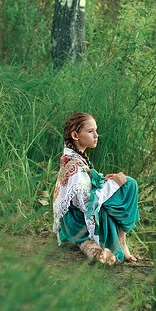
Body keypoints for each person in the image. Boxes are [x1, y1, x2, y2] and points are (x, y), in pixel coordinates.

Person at [52, 112, 140, 266]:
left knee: (124, 184)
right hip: (77, 221)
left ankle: (110, 243)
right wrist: (114, 185)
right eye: (90, 131)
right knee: (130, 185)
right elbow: (87, 204)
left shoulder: (74, 157)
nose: (96, 135)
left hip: (71, 222)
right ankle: (119, 241)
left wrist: (102, 179)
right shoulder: (75, 165)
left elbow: (83, 187)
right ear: (75, 135)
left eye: (96, 131)